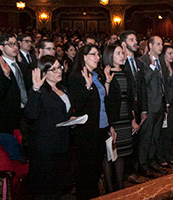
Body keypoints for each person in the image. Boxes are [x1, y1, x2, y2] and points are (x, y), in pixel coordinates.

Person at [68, 44, 115, 200]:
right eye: (93, 54)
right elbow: (77, 106)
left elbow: (103, 101)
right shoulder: (76, 77)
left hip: (101, 126)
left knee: (96, 168)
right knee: (86, 169)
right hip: (87, 130)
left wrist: (107, 82)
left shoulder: (97, 75)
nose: (97, 58)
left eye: (98, 55)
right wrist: (87, 88)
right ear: (84, 57)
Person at [24, 55, 72, 199]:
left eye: (60, 67)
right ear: (44, 73)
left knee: (57, 188)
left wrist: (72, 120)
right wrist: (36, 88)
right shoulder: (40, 91)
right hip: (45, 149)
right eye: (54, 69)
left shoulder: (63, 88)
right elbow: (31, 114)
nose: (59, 71)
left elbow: (62, 113)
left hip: (61, 145)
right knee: (45, 191)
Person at [102, 43, 139, 192]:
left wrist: (132, 119)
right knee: (109, 154)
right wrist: (107, 81)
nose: (122, 56)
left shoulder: (126, 73)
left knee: (121, 152)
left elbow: (129, 98)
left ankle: (119, 185)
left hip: (125, 117)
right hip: (112, 118)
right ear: (110, 56)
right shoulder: (104, 72)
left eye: (122, 53)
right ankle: (109, 188)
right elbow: (105, 98)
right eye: (118, 53)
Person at [119, 30, 149, 181]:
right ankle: (126, 173)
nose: (136, 42)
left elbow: (142, 87)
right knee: (127, 142)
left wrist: (144, 109)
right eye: (132, 40)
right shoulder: (119, 64)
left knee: (136, 141)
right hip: (125, 110)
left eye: (136, 39)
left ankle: (133, 169)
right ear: (124, 44)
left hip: (138, 107)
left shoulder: (139, 63)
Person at [138, 35, 168, 175]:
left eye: (161, 44)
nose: (161, 47)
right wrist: (151, 67)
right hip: (149, 106)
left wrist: (166, 102)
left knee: (156, 135)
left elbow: (164, 82)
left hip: (160, 104)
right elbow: (144, 83)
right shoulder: (142, 61)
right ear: (150, 46)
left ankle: (151, 160)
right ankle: (143, 164)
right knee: (146, 136)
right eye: (158, 44)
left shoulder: (161, 61)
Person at [0, 34, 29, 134]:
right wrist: (6, 76)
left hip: (24, 115)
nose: (15, 47)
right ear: (1, 47)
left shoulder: (22, 67)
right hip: (6, 118)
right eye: (11, 44)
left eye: (16, 44)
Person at [157, 45, 173, 168]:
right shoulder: (161, 68)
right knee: (163, 132)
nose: (172, 56)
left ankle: (169, 155)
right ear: (164, 55)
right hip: (164, 105)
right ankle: (161, 156)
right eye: (169, 53)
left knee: (169, 132)